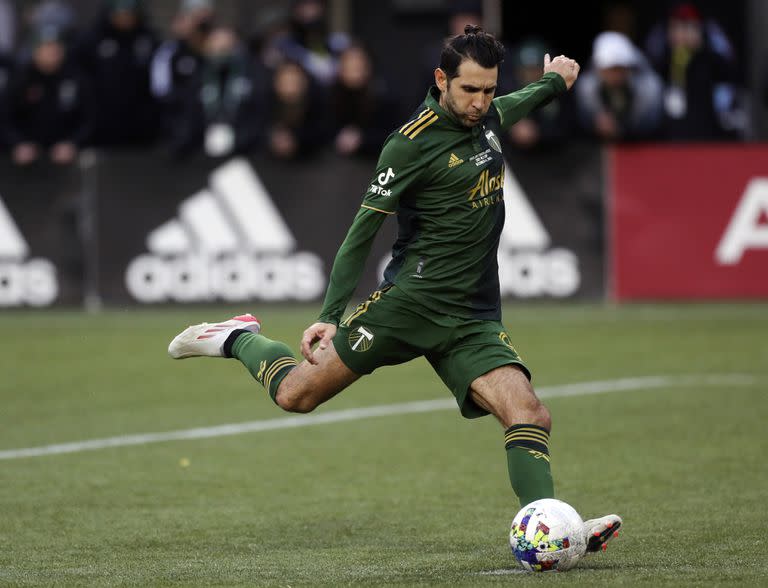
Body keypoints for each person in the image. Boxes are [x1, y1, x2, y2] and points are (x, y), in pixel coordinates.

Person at [167, 25, 622, 556]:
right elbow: (361, 233)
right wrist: (331, 314)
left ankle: (552, 528)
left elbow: (515, 104)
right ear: (440, 80)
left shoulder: (490, 118)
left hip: (472, 316)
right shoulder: (409, 144)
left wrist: (554, 83)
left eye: (488, 90)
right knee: (296, 395)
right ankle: (238, 337)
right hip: (410, 304)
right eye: (469, 90)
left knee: (529, 414)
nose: (480, 103)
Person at [75, 0, 160, 147]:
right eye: (120, 13)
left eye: (129, 13)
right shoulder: (91, 39)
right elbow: (81, 77)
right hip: (102, 122)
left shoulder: (148, 39)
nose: (125, 18)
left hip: (141, 123)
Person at [4, 25, 91, 166]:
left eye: (56, 47)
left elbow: (88, 119)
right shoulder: (20, 79)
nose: (52, 52)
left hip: (67, 160)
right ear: (35, 50)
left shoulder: (76, 78)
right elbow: (5, 119)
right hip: (24, 163)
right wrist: (17, 144)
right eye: (46, 47)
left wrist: (73, 143)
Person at [574, 31, 663, 142]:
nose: (615, 75)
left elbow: (653, 126)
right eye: (610, 69)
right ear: (598, 68)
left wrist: (623, 130)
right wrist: (594, 123)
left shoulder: (649, 90)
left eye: (620, 68)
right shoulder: (586, 89)